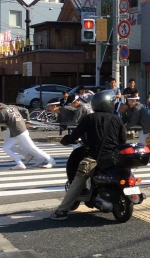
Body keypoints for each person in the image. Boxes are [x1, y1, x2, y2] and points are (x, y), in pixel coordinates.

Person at [50, 90, 126, 220]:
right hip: (113, 159)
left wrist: (67, 140)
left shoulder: (89, 118)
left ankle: (61, 211)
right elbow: (122, 140)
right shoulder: (117, 119)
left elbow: (76, 134)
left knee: (77, 181)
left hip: (94, 157)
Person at [0, 100, 56, 170]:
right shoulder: (11, 106)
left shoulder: (2, 113)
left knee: (32, 148)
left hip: (20, 133)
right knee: (6, 147)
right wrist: (28, 120)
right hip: (18, 132)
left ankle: (51, 160)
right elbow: (25, 110)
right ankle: (20, 164)